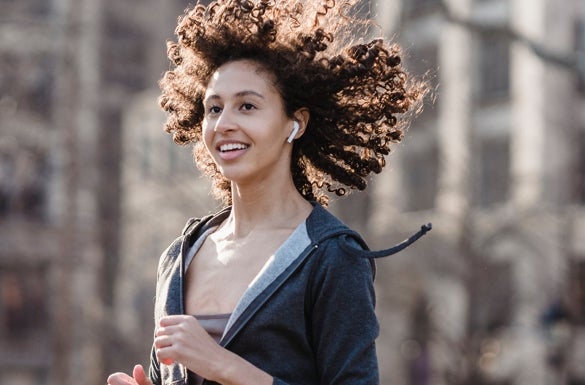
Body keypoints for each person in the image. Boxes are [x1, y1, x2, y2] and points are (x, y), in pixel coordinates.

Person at [107, 0, 431, 384]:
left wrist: (223, 365)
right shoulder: (180, 257)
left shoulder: (330, 255)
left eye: (247, 106)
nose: (224, 123)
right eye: (214, 108)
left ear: (295, 123)